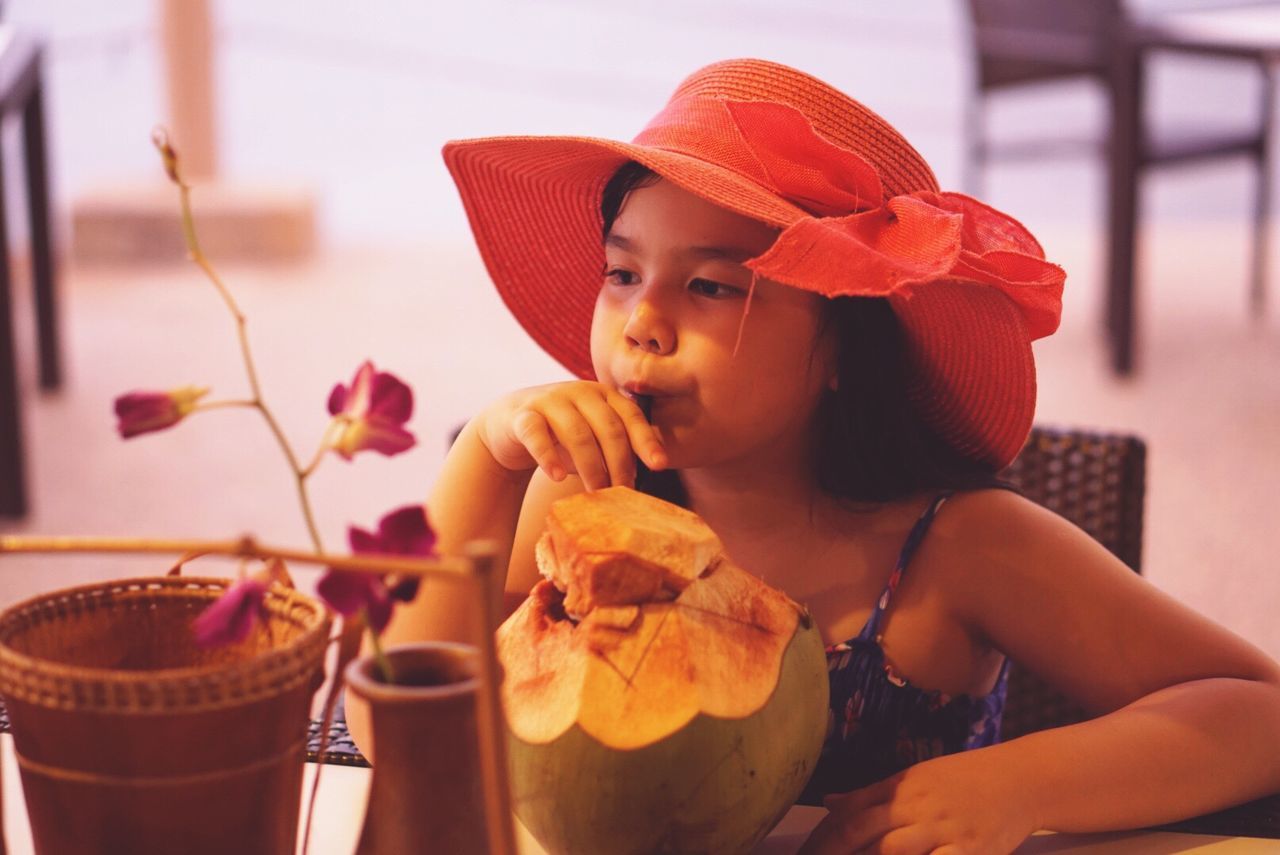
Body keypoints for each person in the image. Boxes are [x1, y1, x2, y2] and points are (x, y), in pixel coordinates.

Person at [350, 58, 1280, 853]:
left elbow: (1256, 707)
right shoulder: (584, 504)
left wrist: (1020, 786)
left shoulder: (959, 549)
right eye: (623, 272)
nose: (642, 323)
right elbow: (391, 735)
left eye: (712, 285)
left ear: (844, 348)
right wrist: (485, 453)